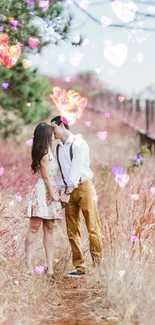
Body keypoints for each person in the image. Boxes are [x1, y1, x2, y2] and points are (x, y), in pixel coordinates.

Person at [51, 115, 103, 278]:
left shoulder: (79, 144)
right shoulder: (58, 147)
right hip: (67, 190)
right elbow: (60, 172)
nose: (52, 132)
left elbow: (75, 170)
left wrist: (67, 191)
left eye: (53, 127)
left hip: (84, 187)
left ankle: (97, 265)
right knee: (72, 229)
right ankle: (80, 267)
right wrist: (61, 191)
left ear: (61, 125)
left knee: (92, 226)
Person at [24, 122, 63, 275]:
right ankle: (27, 265)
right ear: (45, 135)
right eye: (50, 132)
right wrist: (53, 195)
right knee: (34, 228)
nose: (53, 134)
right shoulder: (44, 153)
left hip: (51, 190)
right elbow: (46, 177)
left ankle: (50, 268)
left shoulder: (50, 150)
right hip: (43, 192)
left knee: (49, 229)